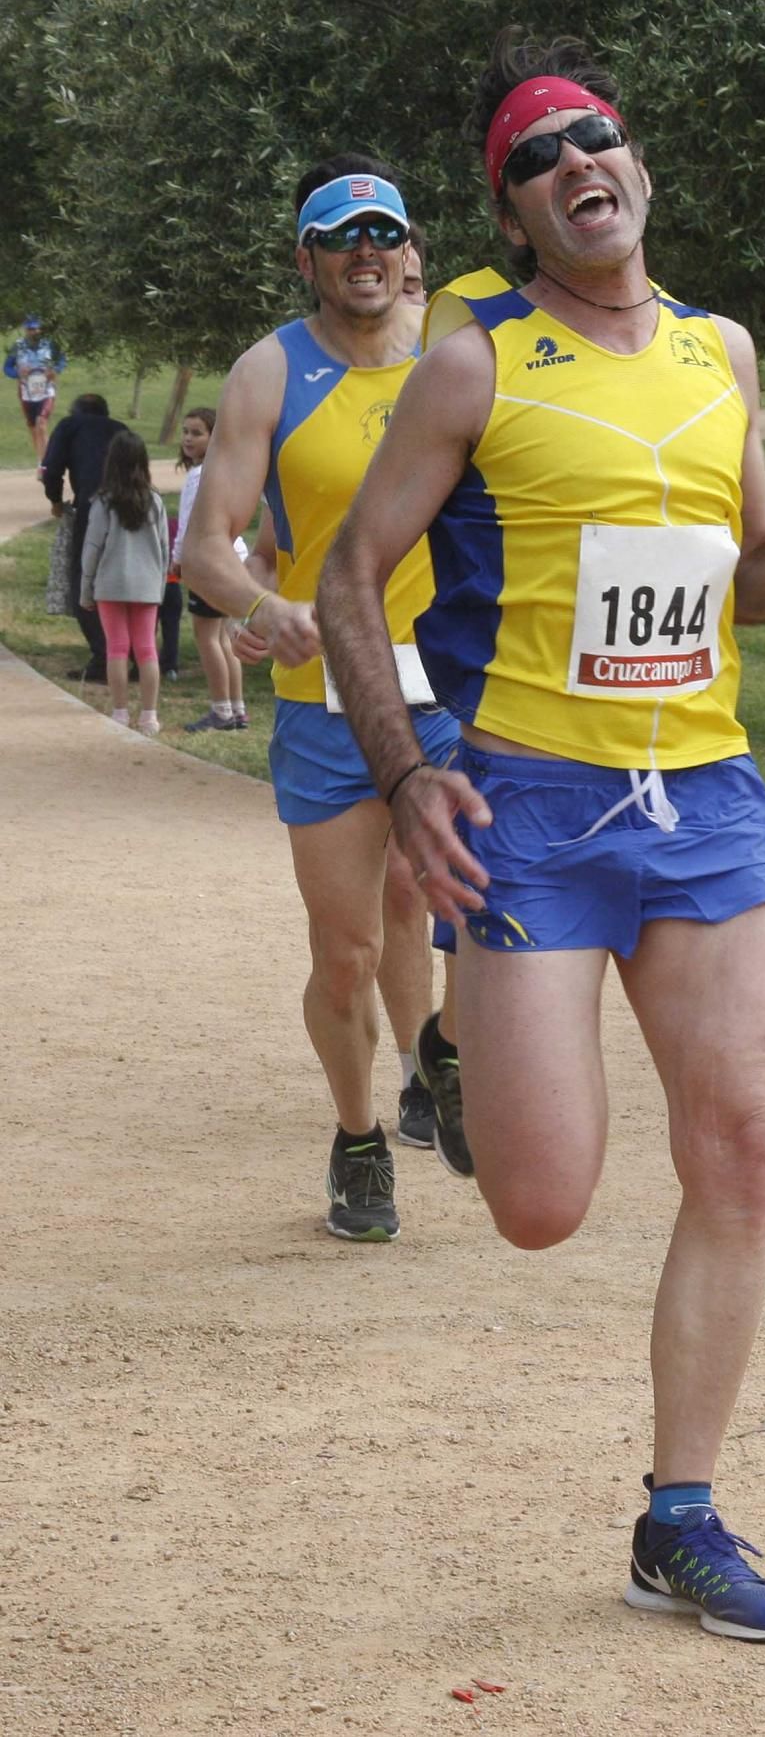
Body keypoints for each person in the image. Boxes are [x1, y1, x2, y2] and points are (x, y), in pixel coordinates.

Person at [317, 29, 765, 1643]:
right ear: (515, 216)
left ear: (639, 165)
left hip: (706, 802)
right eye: (535, 156)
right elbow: (348, 575)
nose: (573, 163)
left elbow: (758, 575)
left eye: (593, 135)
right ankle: (458, 1048)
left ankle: (682, 1515)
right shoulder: (476, 359)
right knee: (539, 1203)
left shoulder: (719, 353)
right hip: (530, 806)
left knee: (739, 1138)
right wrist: (404, 773)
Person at [181, 154, 467, 1243]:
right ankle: (358, 1142)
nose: (366, 253)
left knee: (449, 905)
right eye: (342, 238)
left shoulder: (455, 361)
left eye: (383, 234)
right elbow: (208, 549)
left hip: (447, 687)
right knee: (346, 944)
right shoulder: (269, 373)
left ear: (409, 255)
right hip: (323, 695)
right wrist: (266, 608)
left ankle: (432, 1060)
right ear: (308, 260)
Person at [79, 430, 170, 734]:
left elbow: (92, 549)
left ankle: (119, 712)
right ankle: (149, 715)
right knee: (146, 649)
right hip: (147, 585)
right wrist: (159, 587)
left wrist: (86, 588)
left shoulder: (102, 502)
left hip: (110, 584)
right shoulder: (155, 501)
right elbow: (164, 548)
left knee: (116, 648)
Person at [170, 408, 250, 730]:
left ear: (214, 436)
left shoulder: (200, 476)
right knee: (226, 637)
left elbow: (189, 522)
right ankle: (237, 708)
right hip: (236, 558)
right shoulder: (233, 470)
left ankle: (221, 711)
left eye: (197, 433)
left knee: (208, 638)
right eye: (186, 432)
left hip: (210, 561)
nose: (188, 438)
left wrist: (178, 559)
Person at [40, 393, 127, 680]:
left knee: (84, 578)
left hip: (91, 507)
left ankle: (104, 657)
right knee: (126, 577)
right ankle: (140, 654)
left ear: (75, 411)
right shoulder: (120, 429)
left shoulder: (69, 425)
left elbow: (51, 469)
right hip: (130, 508)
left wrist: (55, 500)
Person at [4, 316, 66, 465]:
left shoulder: (50, 344)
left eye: (37, 328)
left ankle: (49, 462)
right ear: (26, 330)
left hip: (47, 391)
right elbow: (7, 368)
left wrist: (55, 370)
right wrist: (18, 373)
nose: (35, 332)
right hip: (27, 393)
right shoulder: (18, 347)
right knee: (33, 427)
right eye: (31, 329)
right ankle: (42, 461)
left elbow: (61, 360)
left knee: (41, 423)